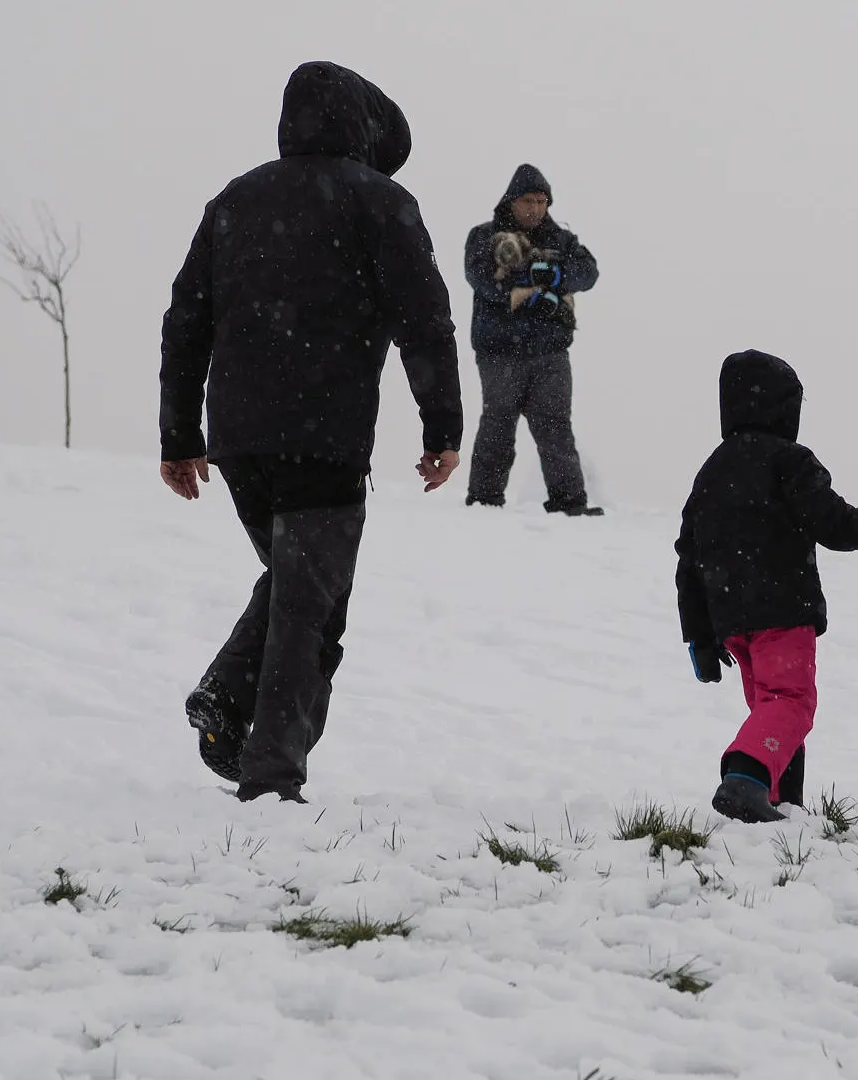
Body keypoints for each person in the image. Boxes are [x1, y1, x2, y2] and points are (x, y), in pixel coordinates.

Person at [157, 61, 463, 803]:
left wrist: (179, 434)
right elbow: (424, 323)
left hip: (238, 440)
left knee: (298, 586)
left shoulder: (236, 198)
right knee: (309, 608)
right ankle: (271, 776)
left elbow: (185, 319)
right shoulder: (380, 202)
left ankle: (228, 699)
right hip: (323, 433)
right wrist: (444, 426)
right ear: (361, 127)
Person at [677, 350, 858, 823]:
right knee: (791, 703)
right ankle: (745, 776)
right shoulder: (788, 460)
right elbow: (834, 522)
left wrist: (697, 634)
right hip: (781, 610)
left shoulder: (710, 472)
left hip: (732, 621)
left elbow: (688, 558)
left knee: (768, 706)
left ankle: (778, 803)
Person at [462, 165, 602, 515]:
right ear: (512, 201)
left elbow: (589, 273)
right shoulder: (483, 237)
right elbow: (480, 279)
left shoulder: (562, 241)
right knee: (498, 424)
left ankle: (569, 502)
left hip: (550, 352)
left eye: (542, 201)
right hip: (500, 352)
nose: (535, 208)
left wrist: (555, 273)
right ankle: (484, 501)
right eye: (528, 200)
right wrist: (529, 279)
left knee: (555, 427)